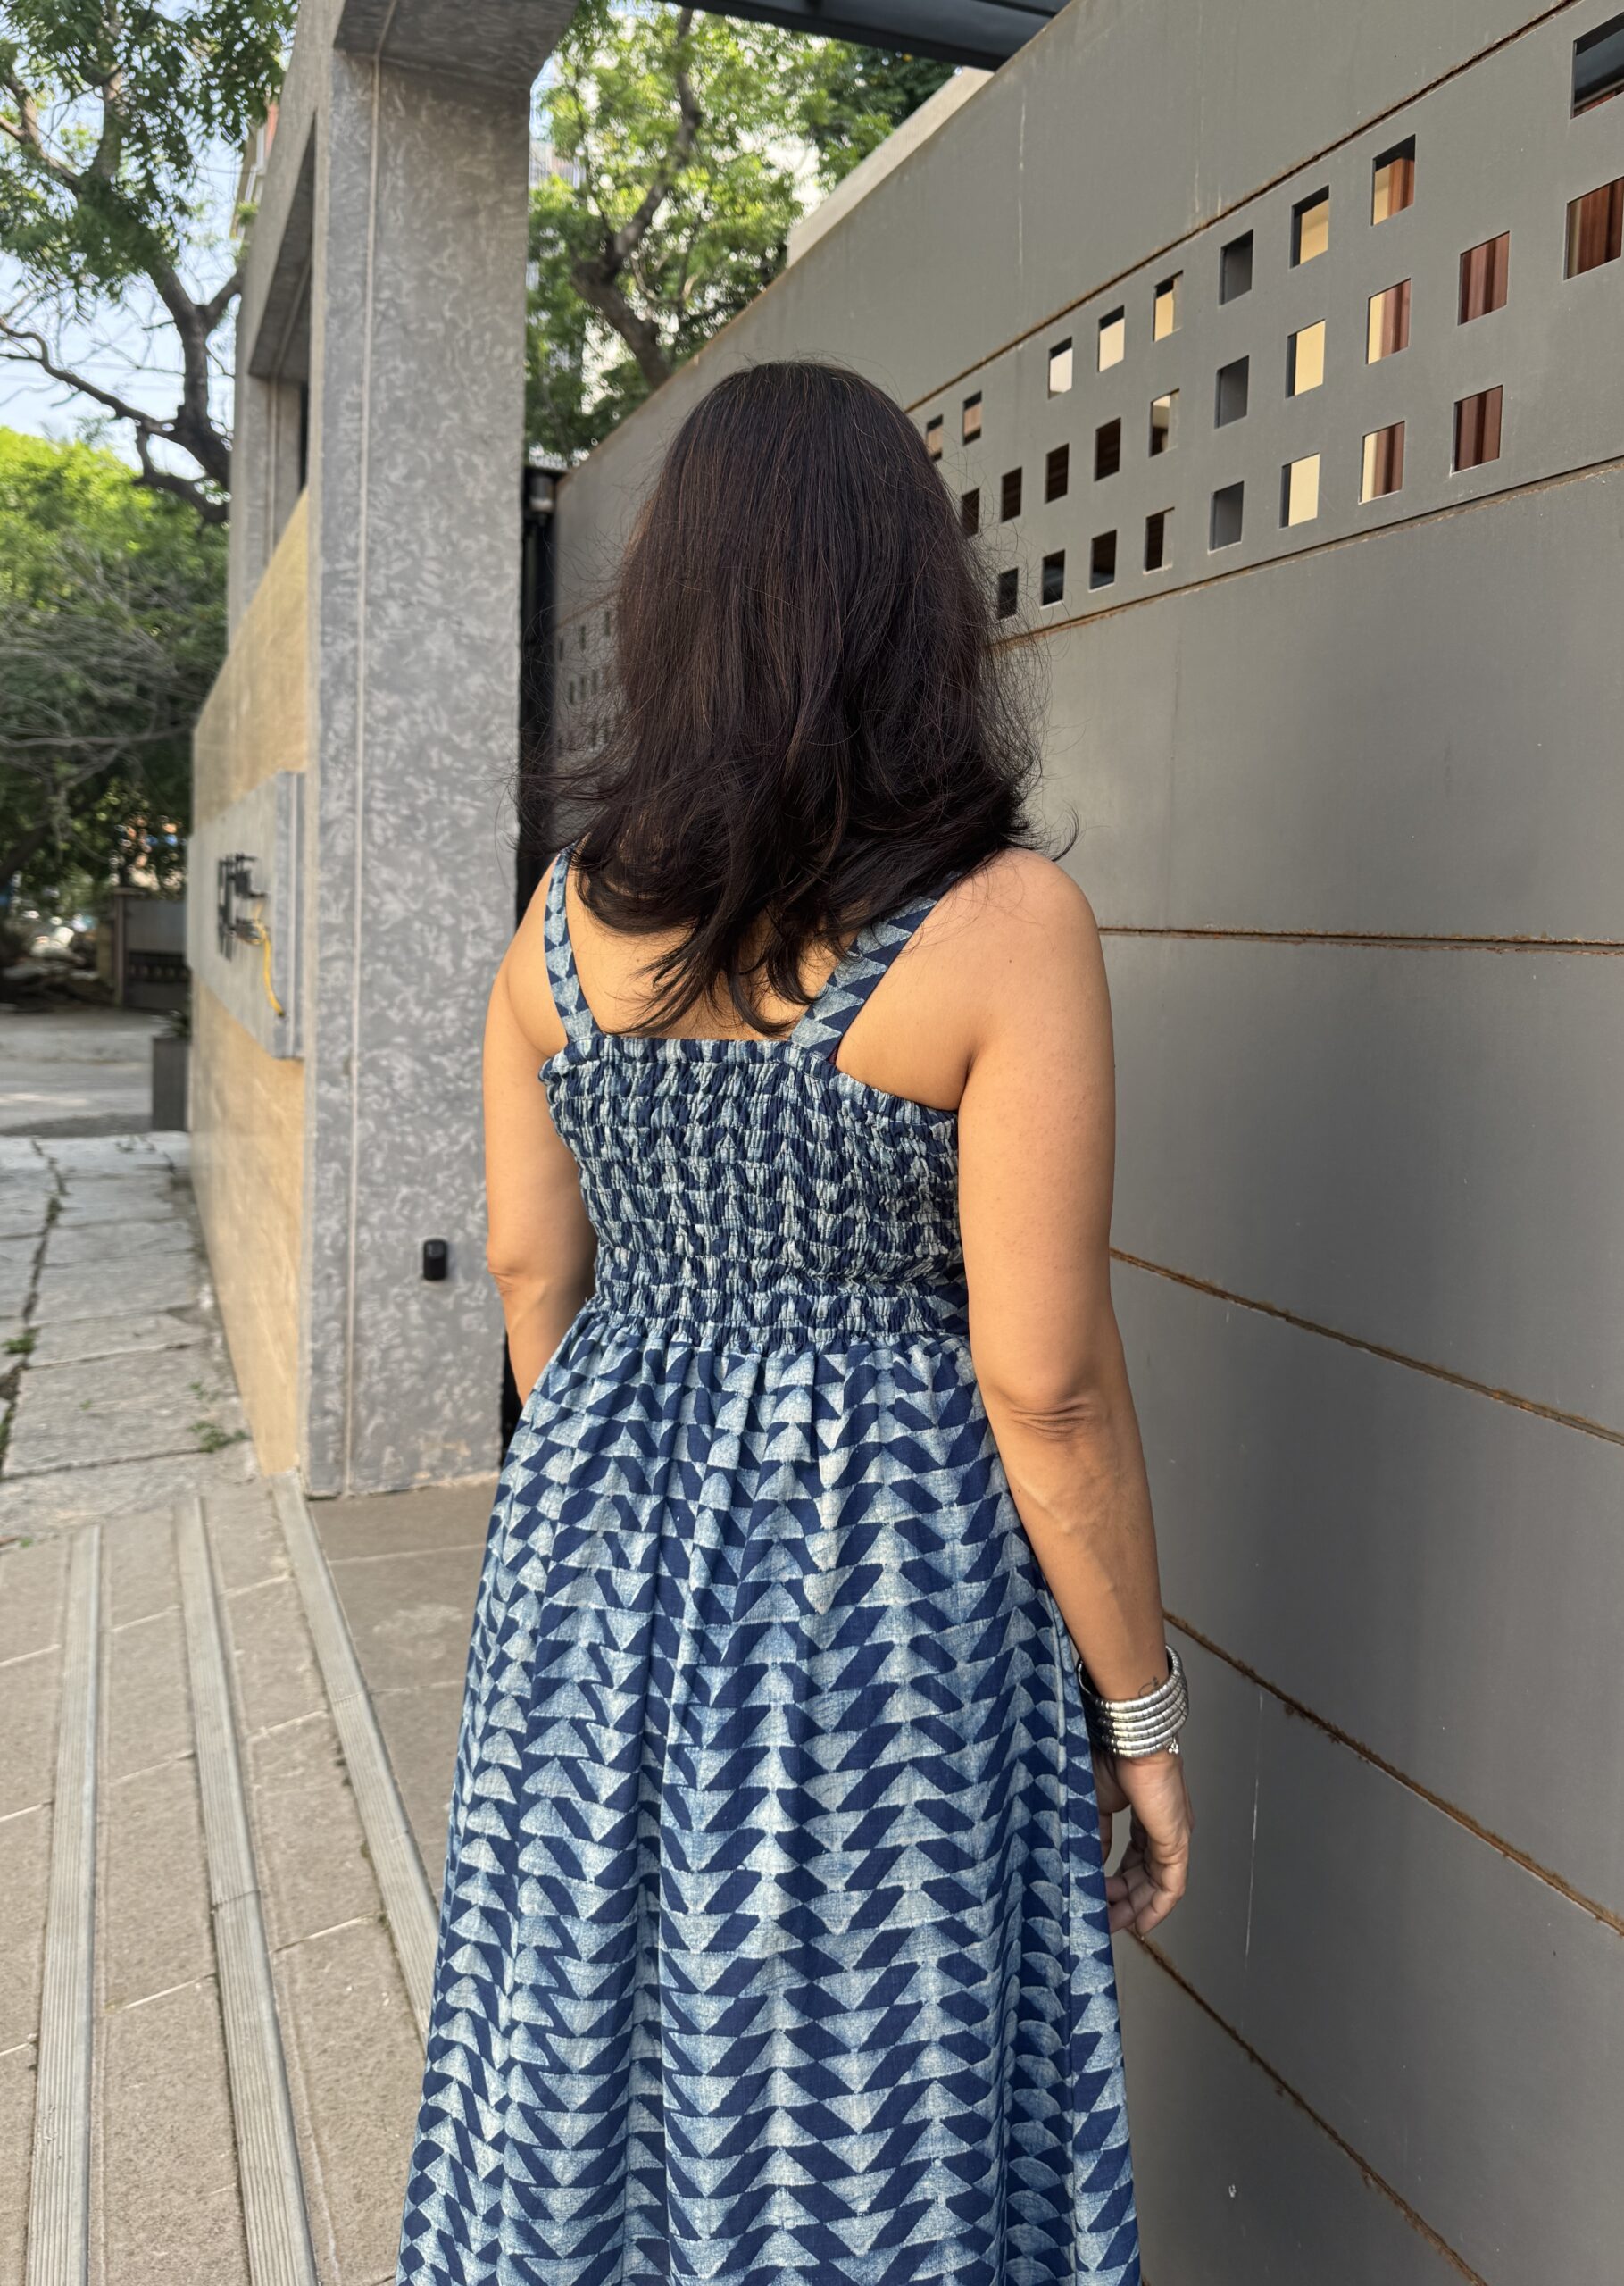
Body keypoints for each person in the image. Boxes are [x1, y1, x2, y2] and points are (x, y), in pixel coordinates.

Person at [396, 359, 1193, 2286]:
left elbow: (531, 1274)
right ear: (918, 605)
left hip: (594, 1559)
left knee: (590, 2035)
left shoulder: (560, 925)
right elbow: (1044, 1383)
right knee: (866, 2088)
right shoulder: (1000, 925)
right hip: (888, 1590)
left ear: (673, 612)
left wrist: (633, 1489)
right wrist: (1142, 1713)